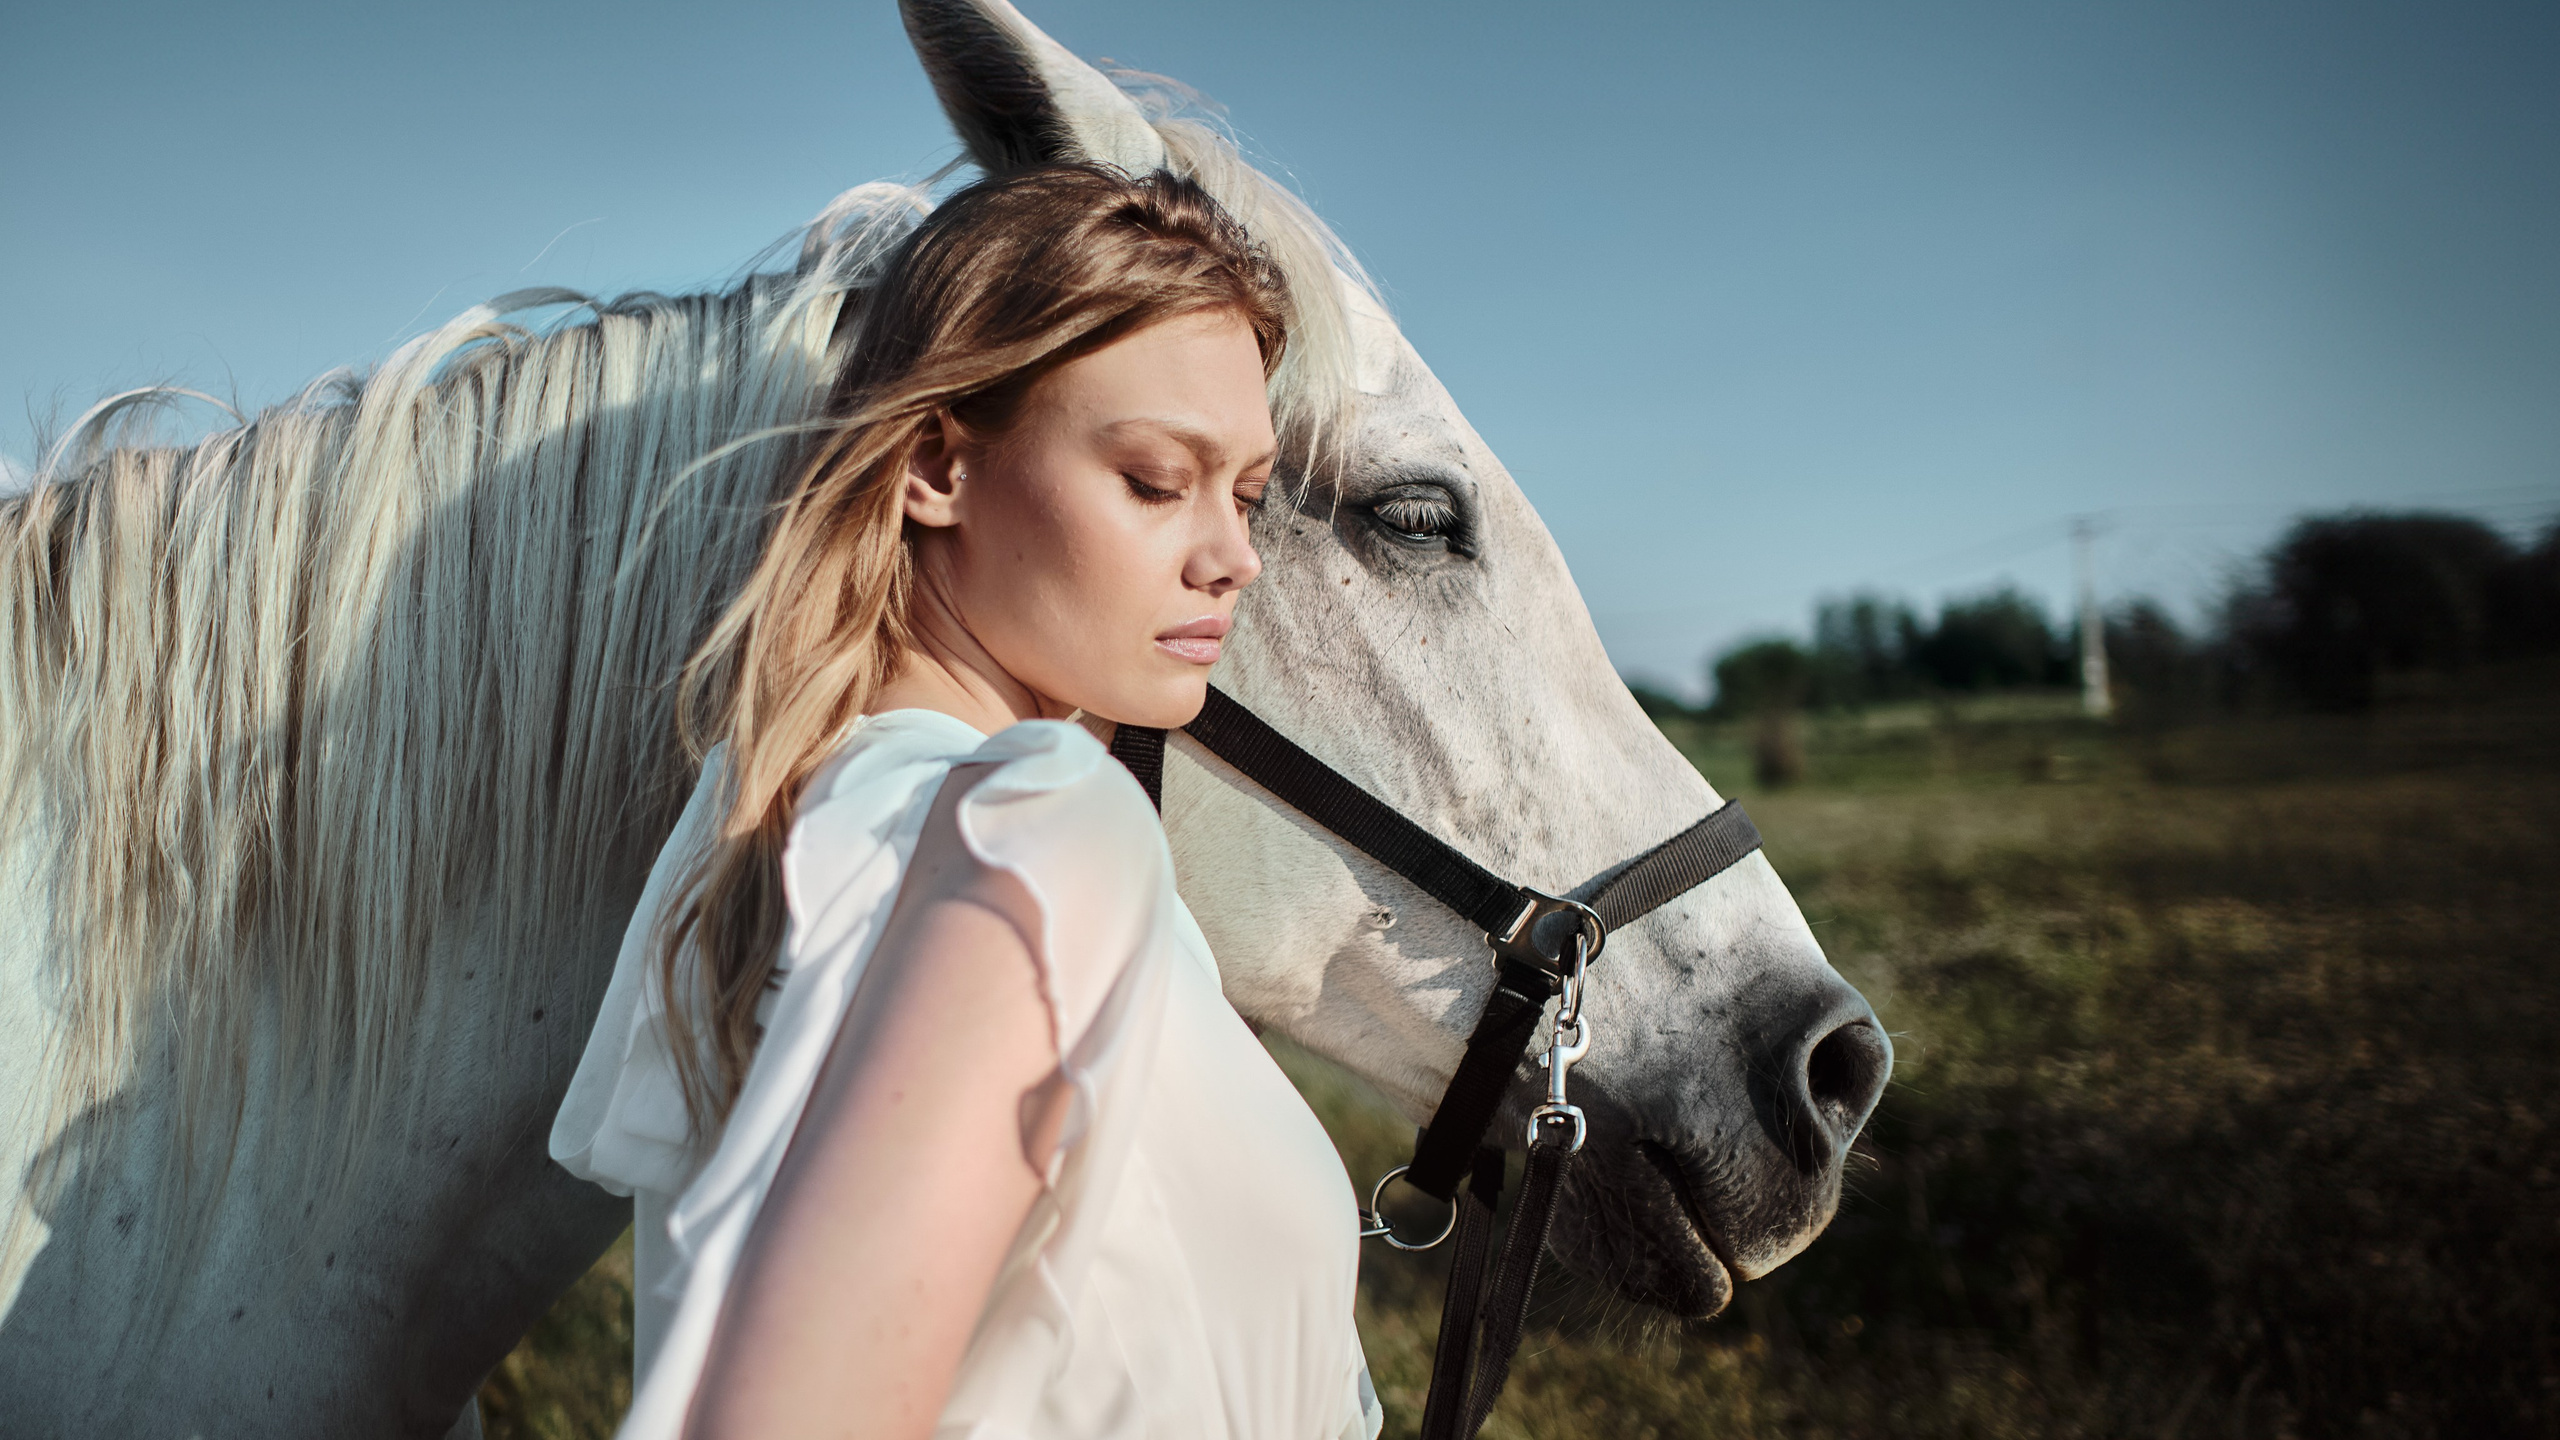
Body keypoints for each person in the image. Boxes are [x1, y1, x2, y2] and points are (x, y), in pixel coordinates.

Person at [548, 164, 1381, 1440]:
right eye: (1158, 480)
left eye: (1247, 492)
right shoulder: (1040, 830)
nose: (1234, 555)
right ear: (936, 464)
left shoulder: (770, 814)